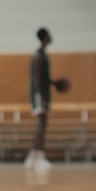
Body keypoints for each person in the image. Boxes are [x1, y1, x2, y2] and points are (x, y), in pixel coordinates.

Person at [25, 27, 70, 171]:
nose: (51, 37)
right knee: (41, 125)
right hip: (40, 95)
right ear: (44, 37)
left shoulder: (43, 54)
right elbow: (37, 79)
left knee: (42, 125)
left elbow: (42, 79)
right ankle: (39, 157)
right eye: (49, 35)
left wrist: (54, 83)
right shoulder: (39, 55)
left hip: (42, 93)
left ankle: (32, 157)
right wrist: (40, 97)